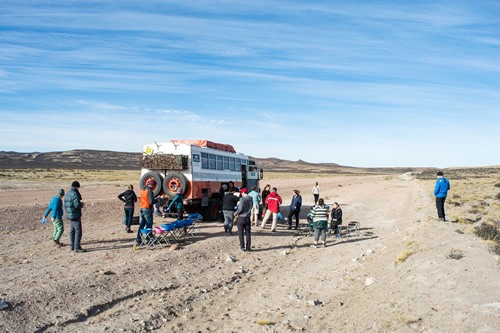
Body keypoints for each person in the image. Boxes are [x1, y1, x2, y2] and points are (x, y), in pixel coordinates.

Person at [64, 181, 86, 253]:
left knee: (72, 231)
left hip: (69, 214)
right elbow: (77, 205)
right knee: (78, 231)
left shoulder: (67, 193)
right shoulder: (75, 194)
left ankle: (72, 245)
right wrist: (81, 204)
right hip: (75, 214)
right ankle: (77, 247)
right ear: (77, 187)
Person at [135, 178, 156, 247]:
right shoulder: (149, 190)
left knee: (142, 224)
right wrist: (158, 200)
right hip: (147, 208)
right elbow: (151, 201)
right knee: (149, 224)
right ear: (153, 186)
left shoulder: (142, 189)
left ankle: (138, 239)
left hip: (142, 207)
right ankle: (148, 239)